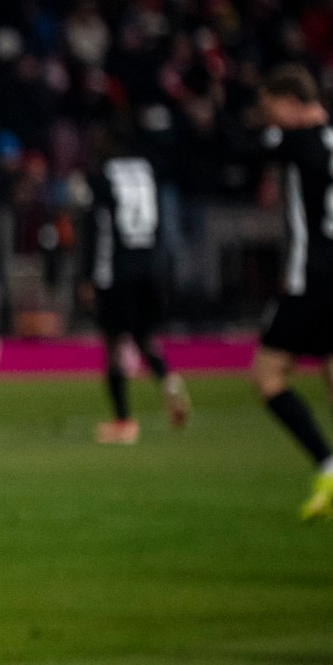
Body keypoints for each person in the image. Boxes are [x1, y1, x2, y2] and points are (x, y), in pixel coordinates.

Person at [250, 68, 333, 524]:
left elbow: (246, 149)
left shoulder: (299, 141)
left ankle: (331, 465)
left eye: (271, 111)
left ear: (288, 103)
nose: (271, 121)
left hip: (317, 274)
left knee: (267, 375)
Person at [81, 124, 190, 444]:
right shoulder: (147, 172)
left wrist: (89, 276)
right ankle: (169, 382)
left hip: (118, 269)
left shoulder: (101, 179)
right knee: (144, 336)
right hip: (151, 267)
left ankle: (123, 420)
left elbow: (98, 231)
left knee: (114, 344)